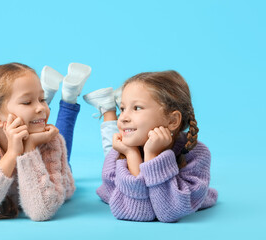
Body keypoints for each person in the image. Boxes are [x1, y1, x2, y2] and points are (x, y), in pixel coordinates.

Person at [0, 62, 91, 222]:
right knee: (43, 124)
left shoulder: (51, 140)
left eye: (42, 99)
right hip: (29, 152)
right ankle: (57, 95)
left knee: (61, 138)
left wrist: (29, 148)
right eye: (27, 102)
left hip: (59, 179)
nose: (42, 108)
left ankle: (69, 97)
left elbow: (41, 211)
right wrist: (12, 153)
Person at [83, 70, 218, 222]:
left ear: (173, 120)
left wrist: (152, 156)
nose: (123, 118)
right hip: (122, 159)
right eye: (122, 109)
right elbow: (138, 213)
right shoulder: (116, 156)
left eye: (137, 108)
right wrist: (132, 154)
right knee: (110, 147)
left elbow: (170, 212)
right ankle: (108, 109)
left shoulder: (196, 154)